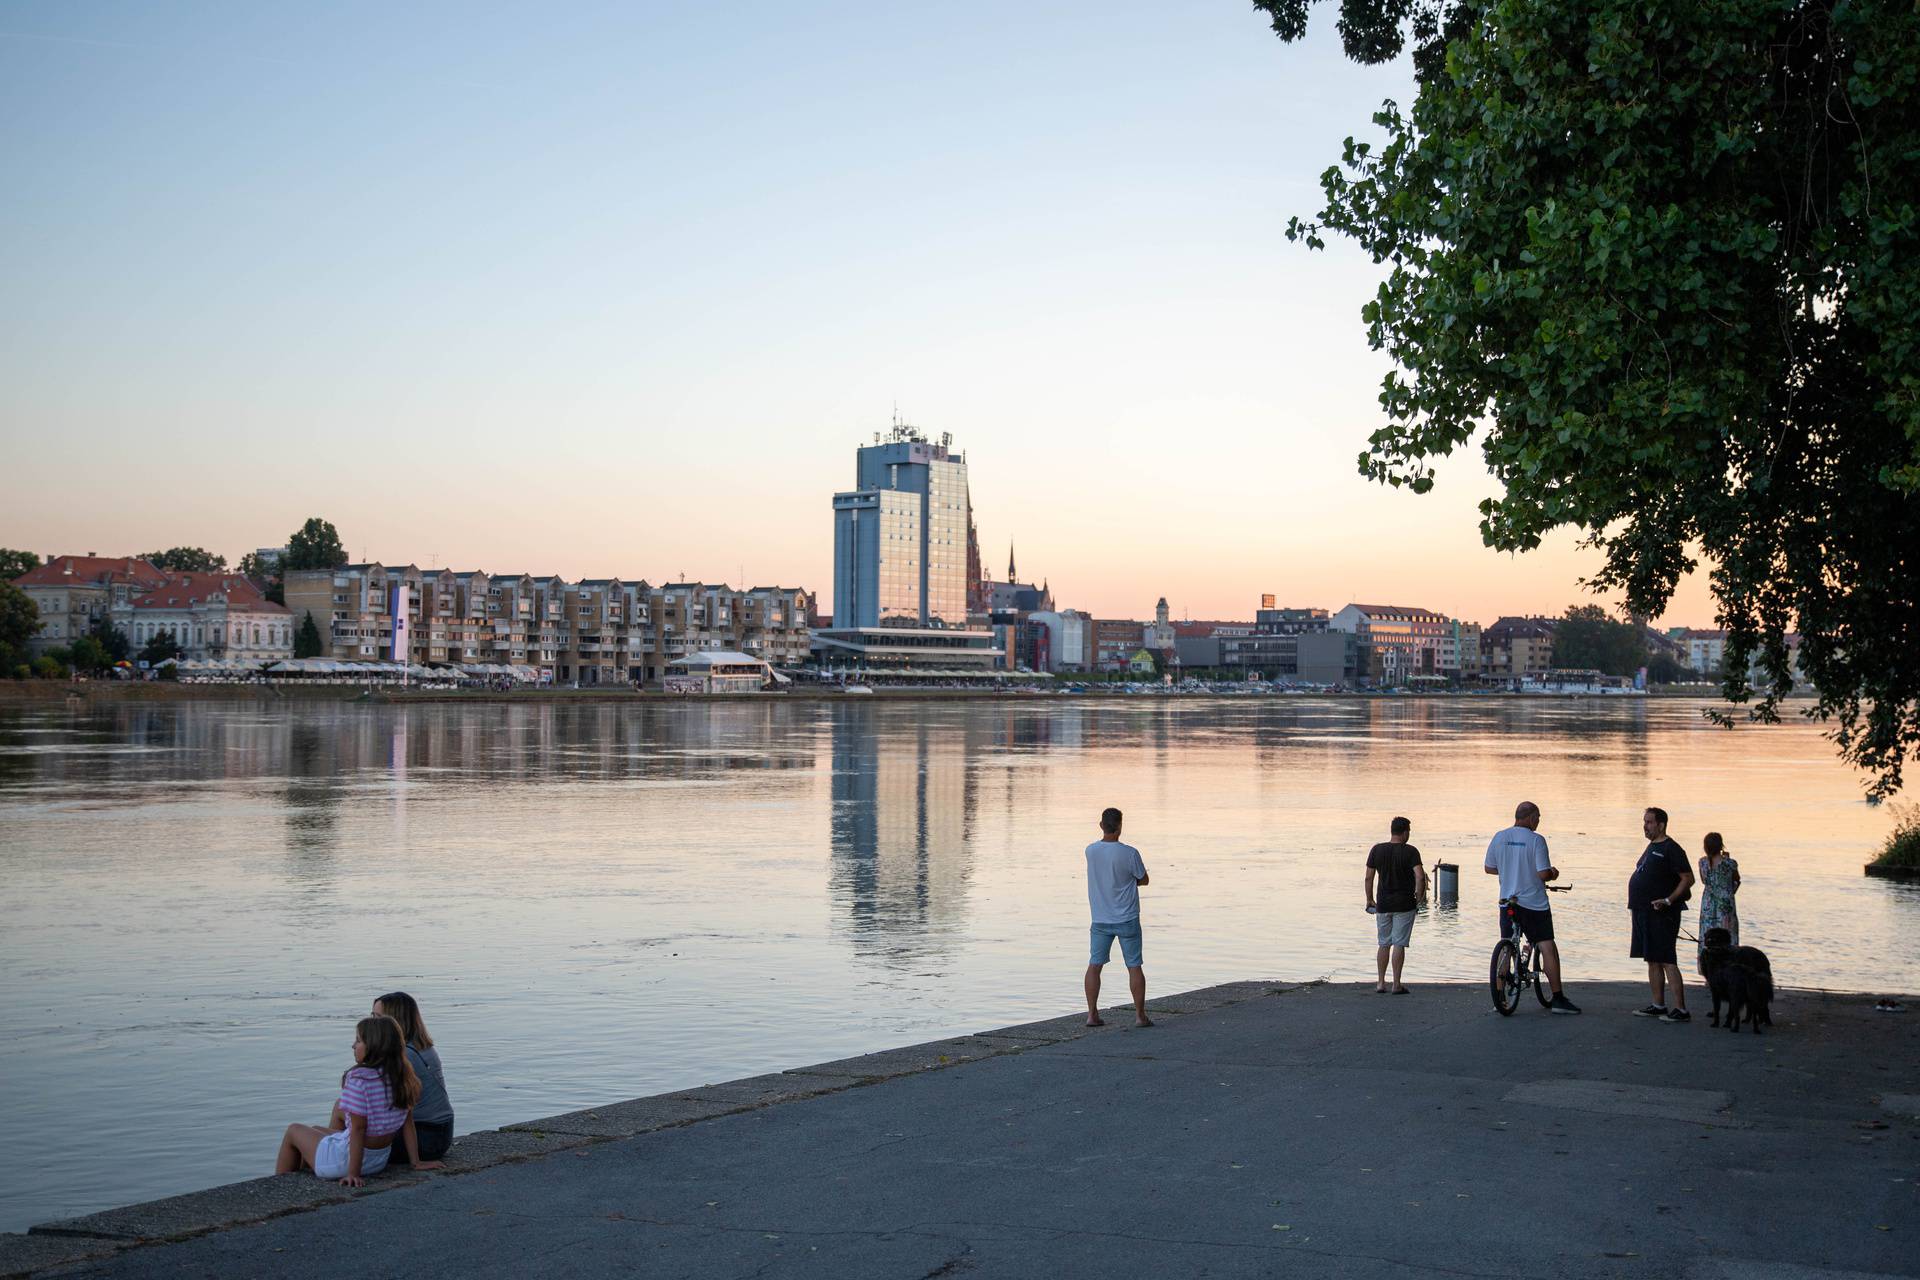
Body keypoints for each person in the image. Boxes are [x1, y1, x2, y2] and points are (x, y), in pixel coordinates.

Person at [275, 1015, 423, 1186]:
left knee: (293, 1131)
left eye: (358, 1041)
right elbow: (408, 1123)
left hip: (347, 1163)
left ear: (374, 1046)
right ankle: (308, 1172)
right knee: (315, 1130)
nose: (353, 1045)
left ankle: (278, 1185)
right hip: (377, 1161)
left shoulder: (359, 1079)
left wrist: (353, 1174)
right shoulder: (401, 1078)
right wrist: (416, 1162)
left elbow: (358, 1129)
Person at [1483, 801, 1580, 1014]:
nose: (1538, 822)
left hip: (1507, 900)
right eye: (1538, 818)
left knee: (1507, 944)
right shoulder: (1536, 840)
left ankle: (1499, 998)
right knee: (1547, 946)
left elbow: (1489, 868)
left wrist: (1510, 869)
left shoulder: (1500, 837)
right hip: (1533, 904)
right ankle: (1558, 999)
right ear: (1530, 818)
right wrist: (1554, 873)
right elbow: (1543, 873)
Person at [1084, 806, 1151, 1028]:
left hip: (1100, 918)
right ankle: (1140, 1016)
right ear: (1120, 827)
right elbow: (1144, 879)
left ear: (1101, 825)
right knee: (1134, 966)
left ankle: (1092, 1015)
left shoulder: (1090, 851)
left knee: (1095, 965)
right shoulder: (1130, 853)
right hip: (1127, 918)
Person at [1629, 806, 1696, 1022]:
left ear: (1661, 824)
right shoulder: (1651, 847)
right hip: (1643, 911)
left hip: (1662, 913)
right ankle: (1658, 1004)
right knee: (1652, 959)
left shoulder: (1672, 848)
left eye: (1649, 822)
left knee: (1667, 959)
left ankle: (1681, 1010)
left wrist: (1668, 900)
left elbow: (1688, 878)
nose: (1645, 826)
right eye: (1644, 822)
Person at [374, 992, 454, 1166]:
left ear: (395, 1021)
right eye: (372, 1016)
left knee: (343, 1110)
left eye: (378, 1018)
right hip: (442, 1133)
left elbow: (384, 1107)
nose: (372, 1023)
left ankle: (334, 1155)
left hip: (426, 1139)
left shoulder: (403, 1055)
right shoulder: (420, 1045)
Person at [1365, 816, 1429, 994]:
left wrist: (1369, 899)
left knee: (1384, 943)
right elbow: (1420, 876)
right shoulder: (1410, 851)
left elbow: (1369, 877)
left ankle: (1380, 982)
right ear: (1405, 832)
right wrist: (1419, 897)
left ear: (1392, 830)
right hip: (1404, 904)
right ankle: (1396, 984)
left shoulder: (1377, 850)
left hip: (1383, 903)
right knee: (1399, 943)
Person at [1695, 832, 1741, 970]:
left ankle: (1707, 968)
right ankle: (1729, 966)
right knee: (1728, 935)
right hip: (1726, 904)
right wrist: (1729, 891)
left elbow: (1704, 881)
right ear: (1721, 845)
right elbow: (1736, 880)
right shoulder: (1730, 863)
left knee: (1708, 935)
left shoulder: (1702, 862)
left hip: (1708, 903)